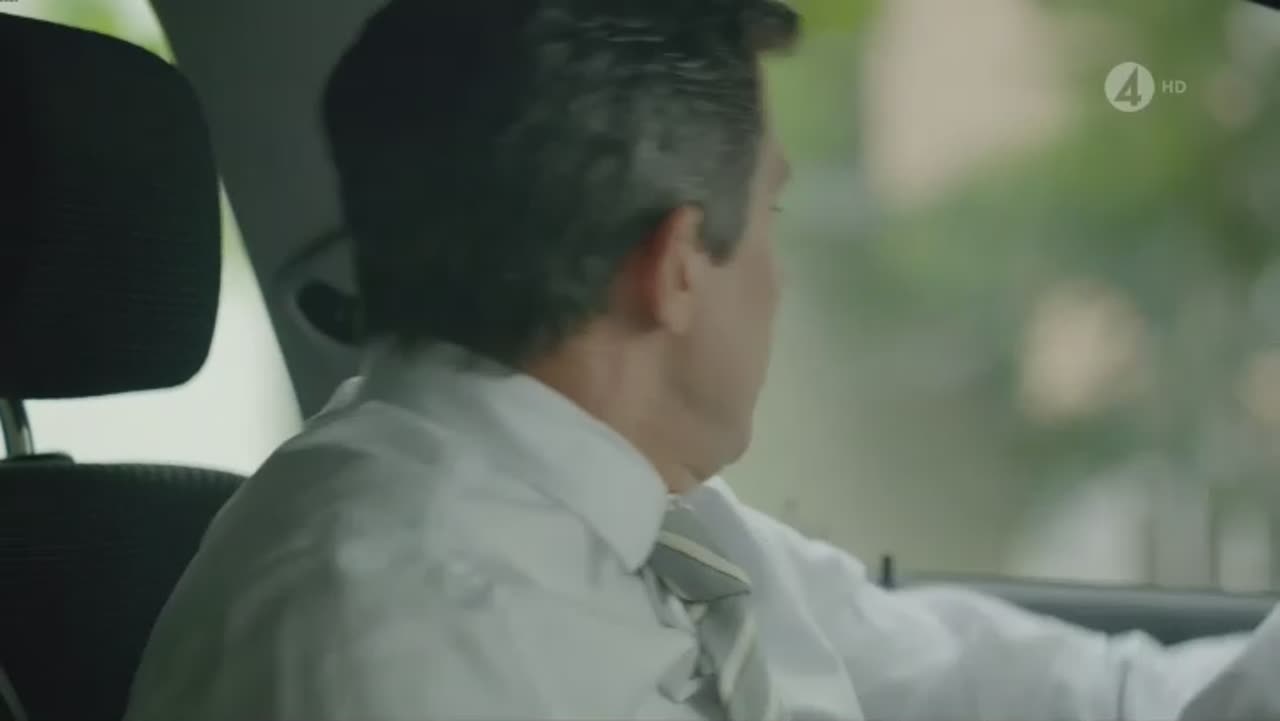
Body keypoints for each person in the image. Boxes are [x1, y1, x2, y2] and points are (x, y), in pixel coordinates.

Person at [125, 0, 1280, 719]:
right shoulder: (393, 647)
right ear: (676, 264)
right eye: (769, 216)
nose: (777, 278)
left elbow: (1045, 693)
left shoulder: (658, 526)